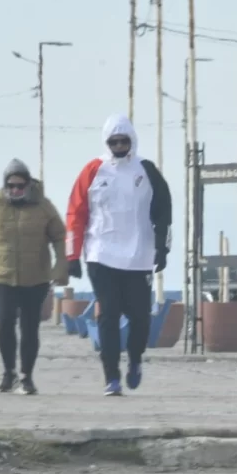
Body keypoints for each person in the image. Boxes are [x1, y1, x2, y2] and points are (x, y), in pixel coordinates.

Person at [66, 113, 172, 396]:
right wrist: (71, 255)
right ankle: (111, 377)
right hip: (101, 253)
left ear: (132, 141)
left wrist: (163, 246)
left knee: (140, 317)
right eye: (114, 141)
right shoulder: (93, 170)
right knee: (108, 314)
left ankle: (135, 360)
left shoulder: (146, 170)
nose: (119, 145)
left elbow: (164, 212)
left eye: (124, 140)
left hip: (139, 255)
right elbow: (75, 213)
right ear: (107, 142)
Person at [0, 158, 68, 395]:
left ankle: (26, 376)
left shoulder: (44, 206)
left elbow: (59, 236)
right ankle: (8, 373)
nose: (15, 190)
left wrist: (60, 267)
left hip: (36, 278)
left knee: (30, 327)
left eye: (20, 185)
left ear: (28, 185)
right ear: (5, 185)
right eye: (11, 185)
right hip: (2, 277)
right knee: (5, 323)